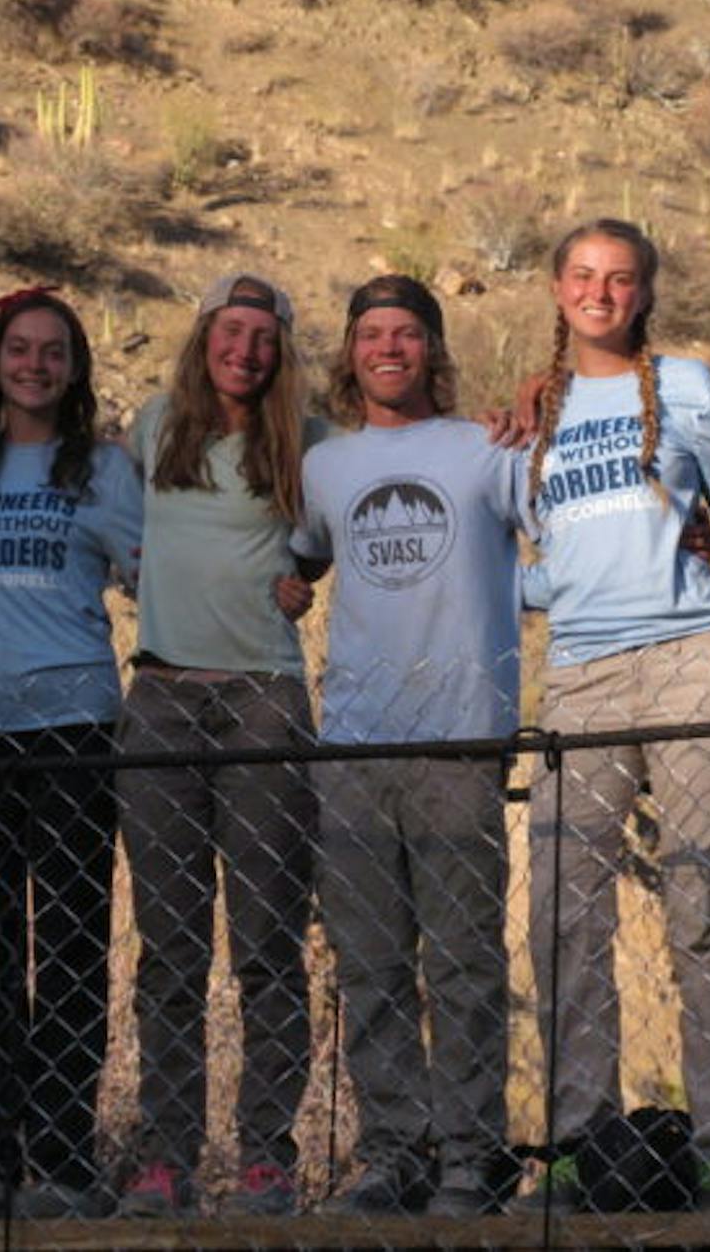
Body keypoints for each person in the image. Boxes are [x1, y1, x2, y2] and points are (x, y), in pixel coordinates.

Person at [520, 218, 710, 1213]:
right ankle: (578, 1144)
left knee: (701, 900)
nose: (599, 293)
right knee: (559, 912)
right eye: (582, 276)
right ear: (557, 288)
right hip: (576, 672)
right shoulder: (537, 413)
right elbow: (535, 557)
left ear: (644, 292)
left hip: (686, 661)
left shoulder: (690, 388)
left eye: (619, 279)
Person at [287, 276, 521, 1216]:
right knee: (371, 964)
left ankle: (473, 1155)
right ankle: (394, 1154)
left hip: (459, 740)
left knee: (465, 961)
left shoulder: (489, 449)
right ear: (350, 353)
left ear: (434, 349)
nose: (389, 348)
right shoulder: (326, 467)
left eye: (408, 334)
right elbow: (300, 559)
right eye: (372, 334)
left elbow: (553, 541)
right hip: (351, 745)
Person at [114, 274, 327, 1218]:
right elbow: (73, 472)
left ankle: (266, 1158)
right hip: (159, 701)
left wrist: (305, 572)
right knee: (168, 949)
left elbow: (351, 511)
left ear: (279, 350)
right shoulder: (154, 423)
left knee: (270, 944)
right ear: (204, 336)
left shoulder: (308, 440)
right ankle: (166, 1155)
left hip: (263, 706)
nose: (245, 350)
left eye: (263, 336)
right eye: (230, 331)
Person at [0, 287, 141, 1220]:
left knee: (70, 946)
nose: (36, 365)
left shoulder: (104, 470)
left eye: (55, 351)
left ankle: (59, 1156)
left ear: (75, 368)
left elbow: (150, 574)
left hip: (74, 728)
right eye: (20, 349)